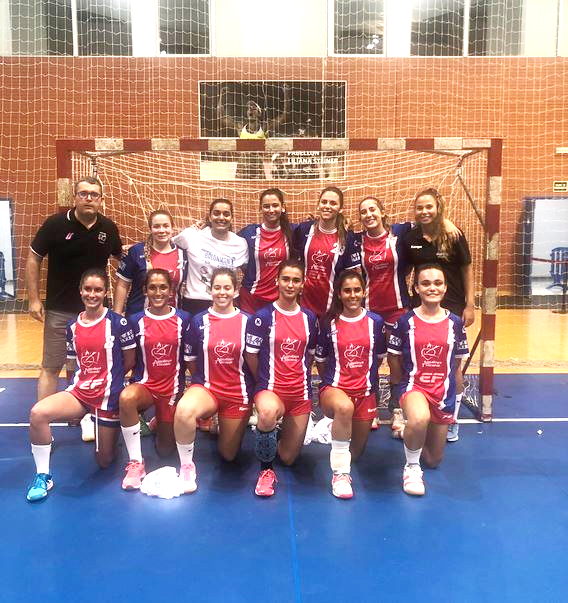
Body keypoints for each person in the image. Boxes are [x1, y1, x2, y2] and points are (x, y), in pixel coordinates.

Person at [26, 268, 136, 502]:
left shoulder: (119, 323)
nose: (92, 294)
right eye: (88, 289)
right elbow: (74, 363)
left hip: (109, 397)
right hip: (81, 393)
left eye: (97, 290)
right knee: (38, 413)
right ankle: (43, 475)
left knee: (104, 461)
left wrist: (111, 384)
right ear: (80, 291)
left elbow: (129, 361)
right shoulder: (72, 327)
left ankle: (110, 428)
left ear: (105, 293)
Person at [26, 176, 122, 441]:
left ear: (101, 199)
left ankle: (87, 417)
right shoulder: (55, 224)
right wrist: (34, 299)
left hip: (95, 315)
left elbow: (121, 257)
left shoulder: (108, 228)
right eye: (83, 193)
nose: (89, 198)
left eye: (94, 194)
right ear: (74, 197)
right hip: (60, 310)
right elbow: (33, 258)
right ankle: (42, 420)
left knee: (92, 367)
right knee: (51, 365)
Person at [388, 263, 469, 497]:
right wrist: (400, 390)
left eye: (437, 283)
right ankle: (412, 468)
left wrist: (455, 394)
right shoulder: (405, 322)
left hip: (443, 393)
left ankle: (407, 432)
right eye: (425, 283)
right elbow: (393, 358)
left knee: (433, 460)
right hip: (414, 387)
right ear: (417, 288)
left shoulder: (455, 323)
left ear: (445, 288)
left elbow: (456, 364)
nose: (432, 288)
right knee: (420, 418)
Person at [402, 188, 474, 442]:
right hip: (422, 307)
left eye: (429, 207)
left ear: (438, 208)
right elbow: (404, 269)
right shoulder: (411, 238)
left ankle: (451, 419)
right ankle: (418, 415)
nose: (424, 212)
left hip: (452, 306)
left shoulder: (453, 234)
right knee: (421, 362)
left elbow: (466, 269)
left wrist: (470, 304)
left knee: (453, 367)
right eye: (419, 207)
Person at [174, 268, 253, 493]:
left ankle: (221, 419)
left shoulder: (248, 321)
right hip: (208, 388)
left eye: (227, 287)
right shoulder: (198, 321)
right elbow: (191, 360)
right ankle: (186, 467)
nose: (222, 292)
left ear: (235, 291)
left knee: (228, 455)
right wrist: (200, 385)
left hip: (238, 393)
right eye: (217, 287)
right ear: (210, 290)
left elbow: (254, 360)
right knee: (184, 411)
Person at [244, 259, 318, 497]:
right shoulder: (262, 317)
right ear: (277, 281)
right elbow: (251, 356)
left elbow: (310, 356)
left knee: (287, 457)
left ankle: (269, 436)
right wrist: (264, 382)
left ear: (302, 284)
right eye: (285, 279)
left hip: (300, 393)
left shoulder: (309, 318)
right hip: (270, 389)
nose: (290, 284)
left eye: (296, 280)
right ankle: (265, 470)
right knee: (267, 412)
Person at [316, 270, 387, 499]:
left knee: (353, 454)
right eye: (347, 290)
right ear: (339, 294)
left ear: (364, 292)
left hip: (365, 394)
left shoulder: (376, 322)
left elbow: (378, 358)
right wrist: (334, 388)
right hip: (335, 389)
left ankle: (336, 429)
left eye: (357, 290)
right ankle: (340, 475)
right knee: (344, 408)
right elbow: (321, 361)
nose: (352, 295)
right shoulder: (329, 322)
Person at [119, 269, 190, 491]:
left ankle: (160, 420)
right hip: (146, 386)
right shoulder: (135, 321)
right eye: (152, 287)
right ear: (145, 291)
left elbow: (190, 358)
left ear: (171, 290)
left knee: (165, 451)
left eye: (163, 287)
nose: (158, 292)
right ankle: (136, 462)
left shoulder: (184, 319)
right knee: (126, 398)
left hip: (172, 390)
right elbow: (128, 358)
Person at [172, 199, 249, 315]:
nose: (221, 217)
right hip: (196, 301)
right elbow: (165, 244)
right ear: (209, 216)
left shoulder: (240, 244)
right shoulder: (191, 236)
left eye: (226, 214)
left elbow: (248, 272)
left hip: (227, 301)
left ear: (232, 218)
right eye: (216, 213)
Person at [293, 186, 359, 318]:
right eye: (324, 202)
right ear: (318, 205)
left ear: (341, 209)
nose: (327, 206)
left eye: (333, 203)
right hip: (302, 304)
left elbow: (352, 275)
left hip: (331, 309)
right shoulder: (304, 229)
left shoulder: (347, 237)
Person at [113, 210, 185, 316]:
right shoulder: (136, 252)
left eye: (166, 226)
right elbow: (122, 285)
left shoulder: (182, 254)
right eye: (156, 226)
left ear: (172, 228)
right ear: (150, 228)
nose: (162, 230)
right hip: (137, 317)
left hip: (172, 319)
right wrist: (116, 316)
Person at [238, 188, 296, 314]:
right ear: (260, 208)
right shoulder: (249, 232)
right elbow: (225, 239)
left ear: (283, 207)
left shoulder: (293, 231)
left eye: (275, 205)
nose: (271, 210)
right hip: (251, 298)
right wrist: (207, 225)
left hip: (281, 298)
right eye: (266, 206)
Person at [217, 84, 290, 178]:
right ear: (247, 113)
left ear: (259, 113)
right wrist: (221, 96)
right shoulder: (240, 127)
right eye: (249, 108)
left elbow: (284, 115)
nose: (250, 109)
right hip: (243, 165)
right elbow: (221, 117)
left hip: (257, 166)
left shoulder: (264, 127)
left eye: (254, 108)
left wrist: (286, 93)